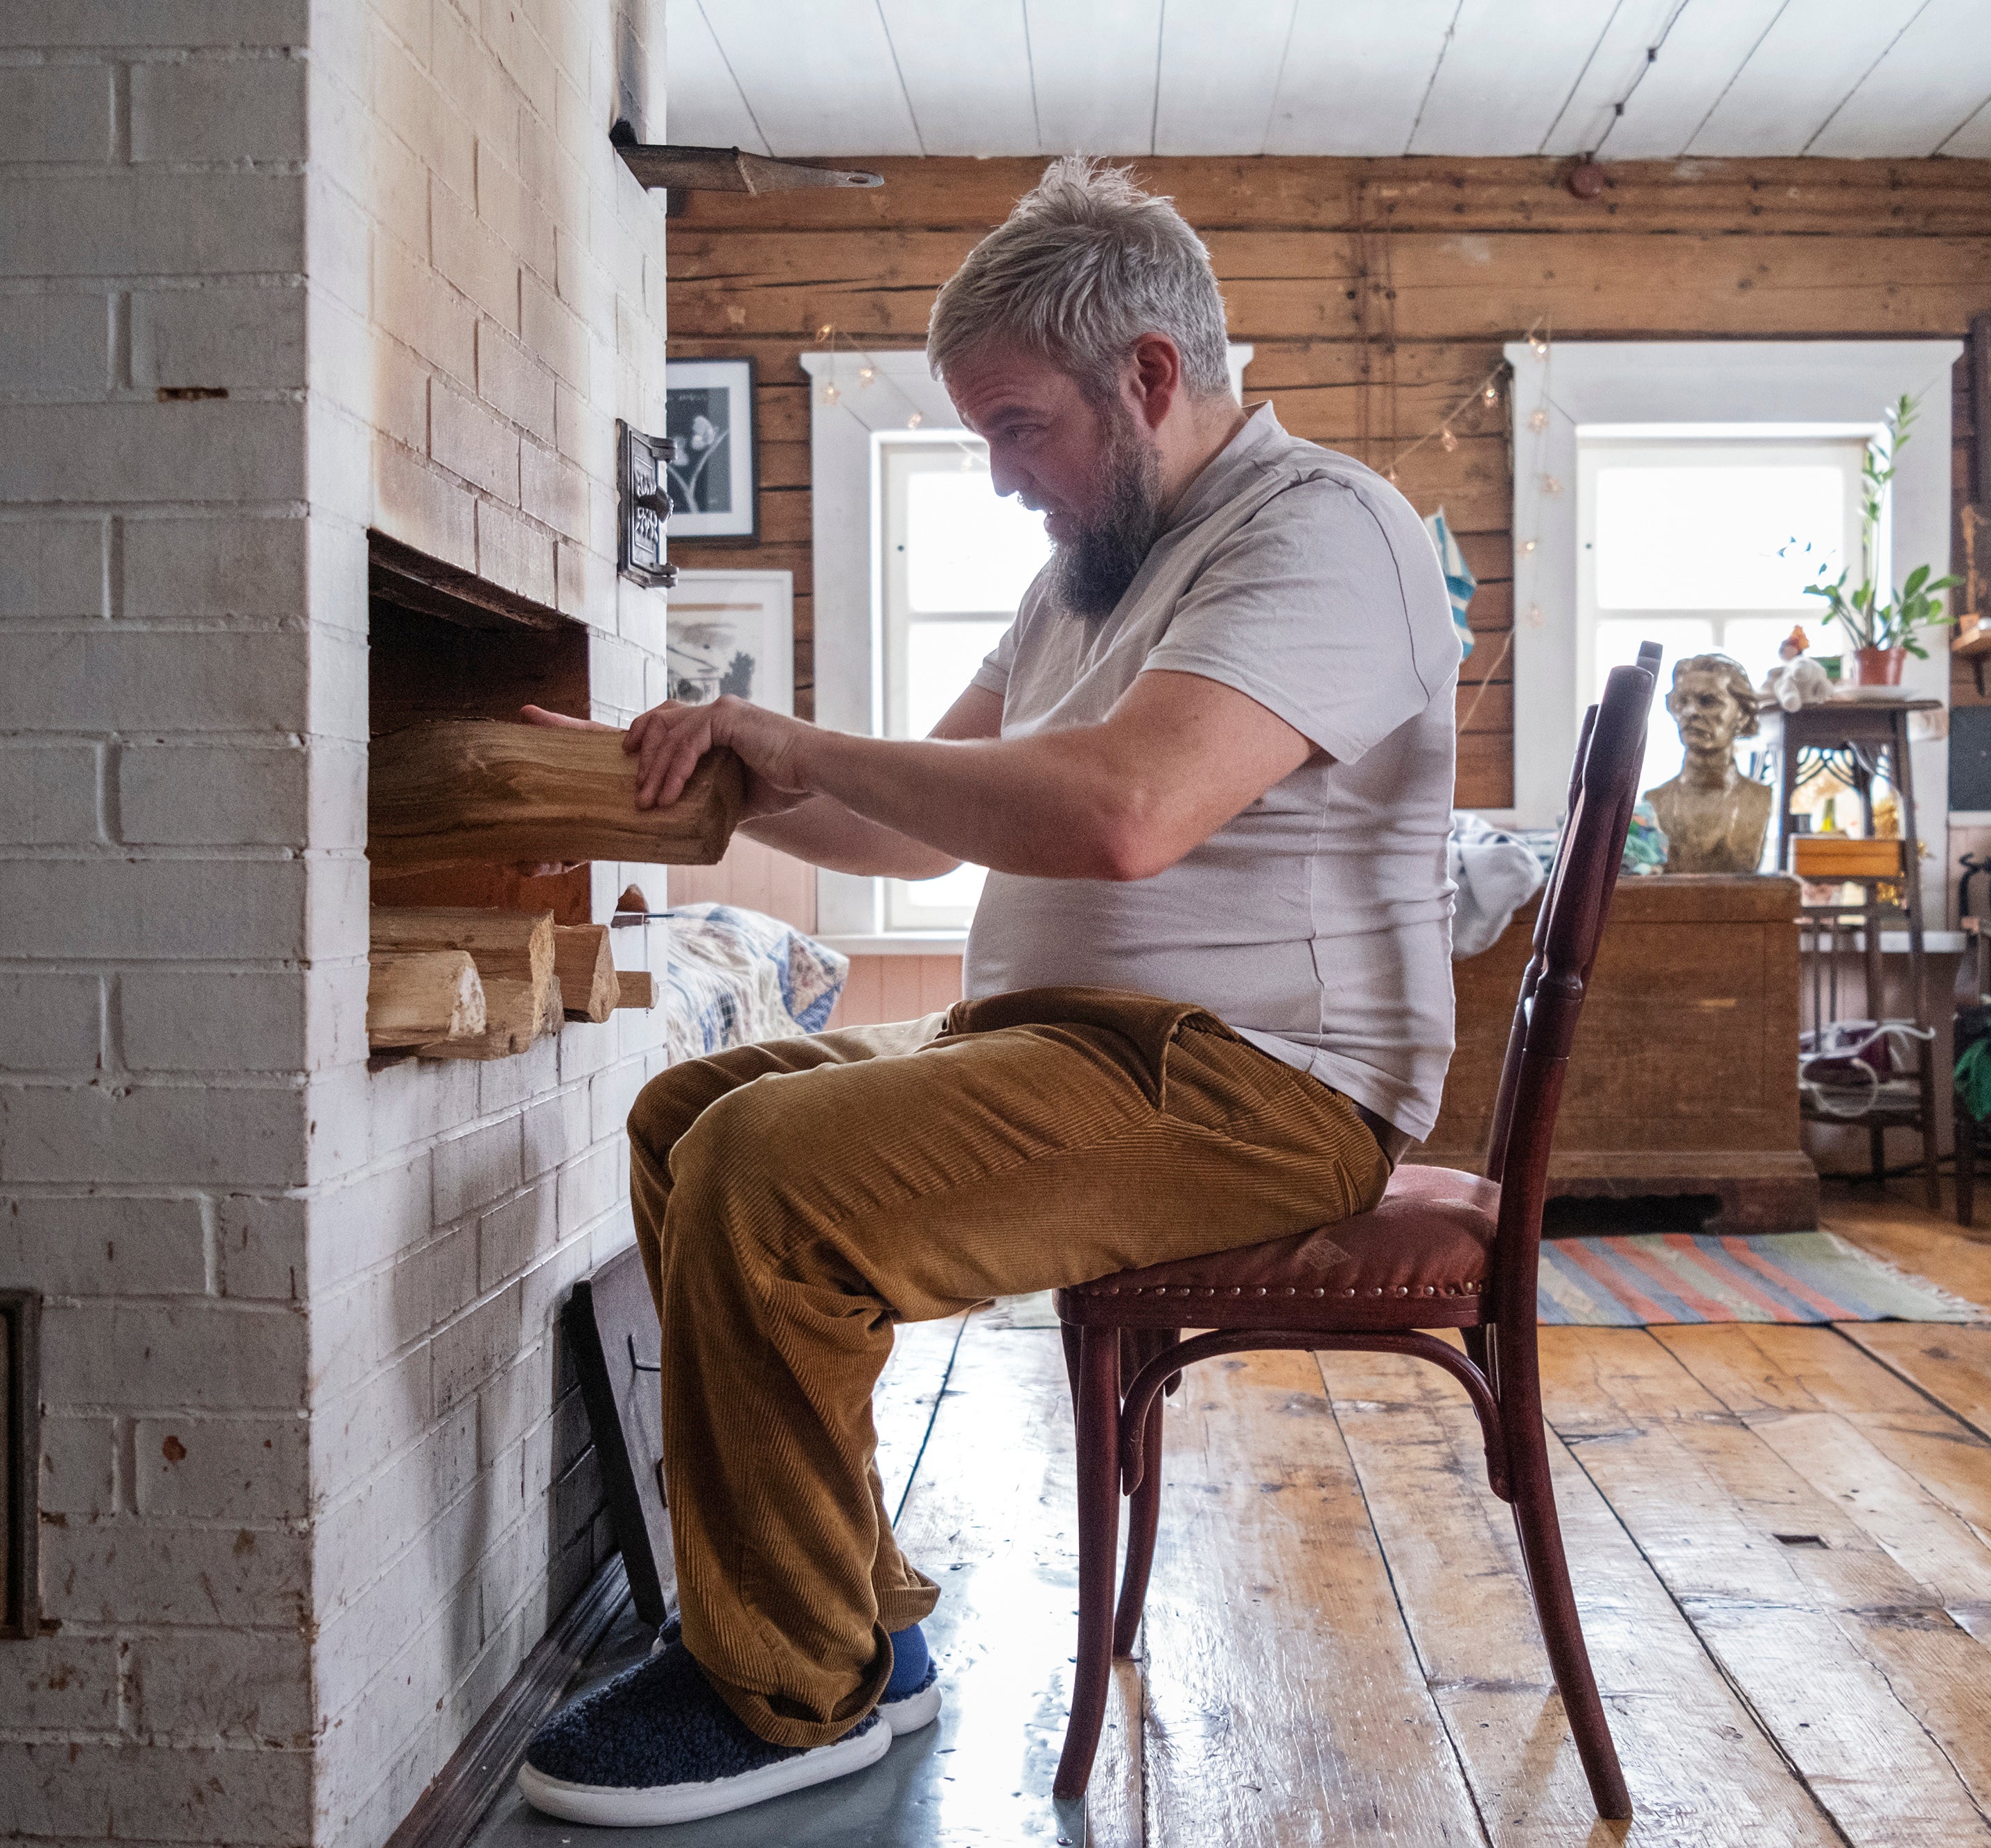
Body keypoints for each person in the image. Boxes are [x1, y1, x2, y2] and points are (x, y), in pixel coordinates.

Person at [509, 157, 1459, 1827]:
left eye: (1020, 428)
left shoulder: (1322, 532)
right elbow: (896, 827)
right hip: (1082, 1055)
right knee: (694, 1113)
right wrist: (682, 774)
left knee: (766, 1173)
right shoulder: (1085, 579)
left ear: (1146, 380)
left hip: (1261, 1088)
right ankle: (853, 1631)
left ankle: (781, 1695)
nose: (1004, 475)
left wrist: (791, 738)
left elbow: (1122, 813)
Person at [1643, 655, 1769, 873]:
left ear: (1741, 716)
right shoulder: (1654, 803)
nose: (1690, 712)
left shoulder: (1763, 799)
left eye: (1708, 701)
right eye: (1682, 701)